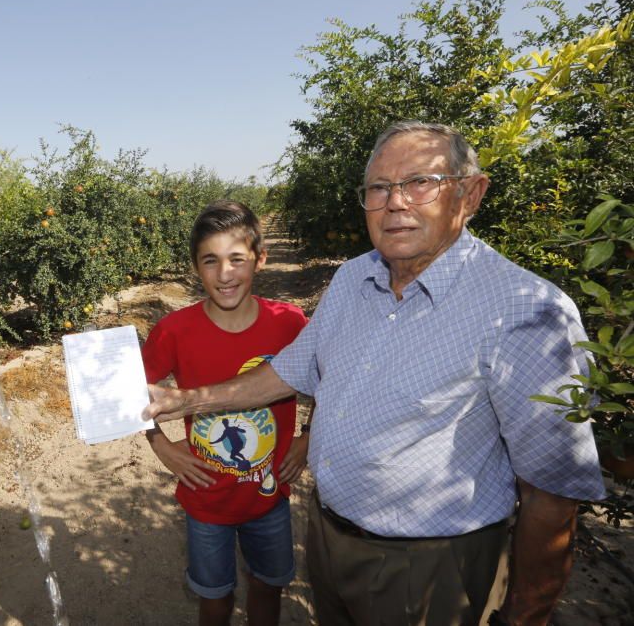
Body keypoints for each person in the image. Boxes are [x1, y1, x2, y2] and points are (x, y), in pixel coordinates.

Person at [143, 122, 606, 626]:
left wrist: (523, 616)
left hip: (429, 565)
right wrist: (182, 402)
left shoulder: (526, 312)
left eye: (420, 182)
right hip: (328, 537)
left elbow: (554, 490)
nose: (396, 202)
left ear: (470, 194)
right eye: (379, 188)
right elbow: (284, 375)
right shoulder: (351, 279)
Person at [141, 200, 309, 626]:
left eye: (237, 259)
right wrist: (161, 446)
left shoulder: (289, 323)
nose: (225, 274)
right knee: (214, 599)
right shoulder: (174, 331)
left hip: (269, 496)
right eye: (210, 261)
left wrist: (308, 437)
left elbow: (327, 377)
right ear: (196, 267)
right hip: (206, 500)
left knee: (267, 586)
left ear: (260, 258)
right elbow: (131, 394)